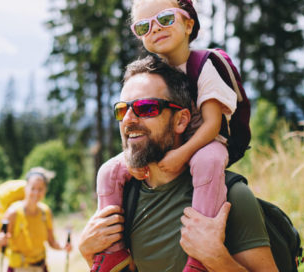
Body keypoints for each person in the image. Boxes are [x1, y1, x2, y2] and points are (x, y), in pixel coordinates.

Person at [81, 56, 277, 271]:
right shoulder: (123, 197)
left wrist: (217, 259)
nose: (128, 119)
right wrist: (88, 253)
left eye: (146, 108)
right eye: (121, 110)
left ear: (181, 120)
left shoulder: (232, 197)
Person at [94, 0, 238, 271]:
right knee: (108, 171)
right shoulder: (156, 71)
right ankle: (112, 252)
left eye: (166, 19)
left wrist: (182, 153)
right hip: (170, 142)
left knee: (208, 161)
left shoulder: (205, 65)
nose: (156, 29)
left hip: (206, 141)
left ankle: (199, 255)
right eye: (144, 26)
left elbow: (212, 124)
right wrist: (134, 160)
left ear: (188, 24)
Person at [0, 167, 72, 272]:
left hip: (41, 267)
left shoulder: (45, 212)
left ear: (45, 190)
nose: (36, 193)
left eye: (40, 189)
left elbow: (52, 242)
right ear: (26, 188)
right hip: (18, 268)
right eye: (32, 188)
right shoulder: (13, 213)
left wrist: (63, 247)